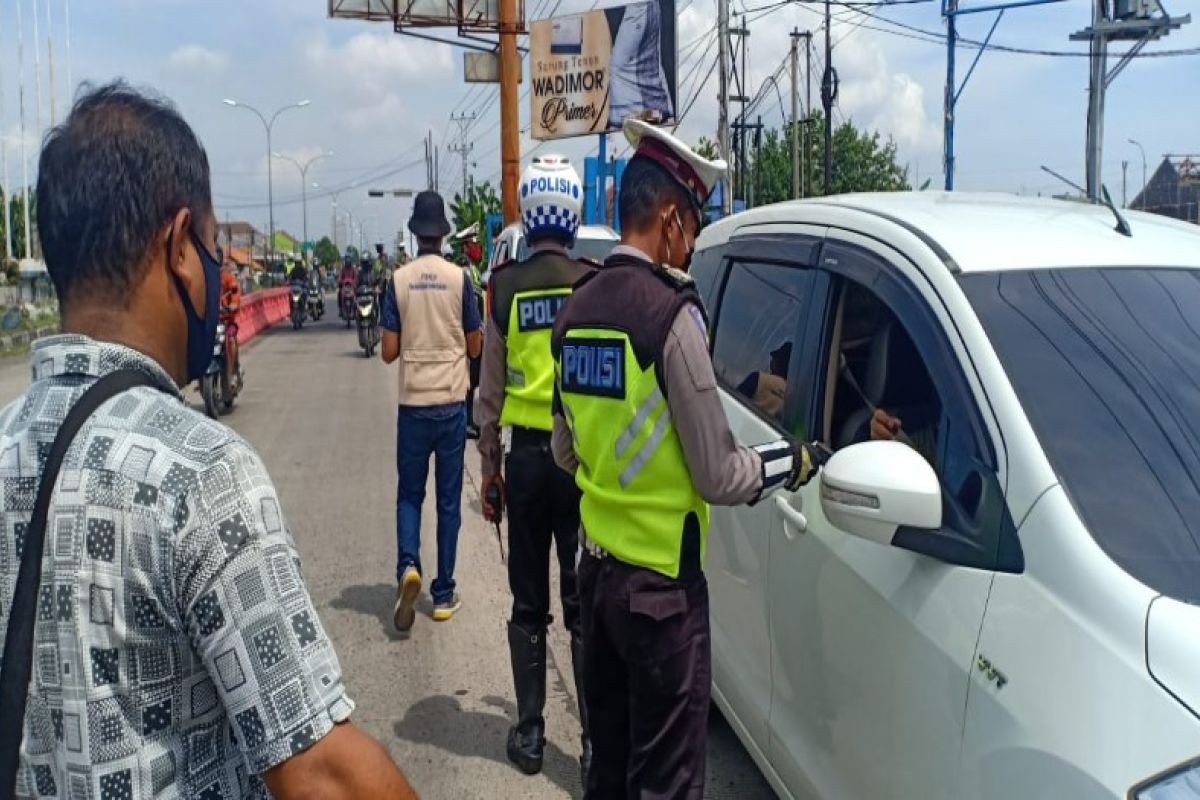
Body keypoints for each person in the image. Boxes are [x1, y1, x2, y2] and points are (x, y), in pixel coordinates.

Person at [0, 81, 415, 799]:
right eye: (214, 244)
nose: (218, 264)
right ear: (178, 246)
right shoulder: (198, 472)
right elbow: (321, 774)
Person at [550, 119, 829, 798]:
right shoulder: (670, 317)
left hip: (598, 582)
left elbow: (565, 450)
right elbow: (718, 473)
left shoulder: (575, 313)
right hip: (661, 605)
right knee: (667, 783)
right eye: (695, 222)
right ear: (670, 218)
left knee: (608, 771)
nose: (695, 241)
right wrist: (790, 463)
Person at [477, 154, 593, 780]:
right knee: (582, 604)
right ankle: (596, 742)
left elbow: (488, 395)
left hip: (523, 462)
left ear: (530, 212)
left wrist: (489, 470)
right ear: (574, 214)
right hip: (578, 466)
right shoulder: (592, 281)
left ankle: (528, 735)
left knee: (529, 600)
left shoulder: (504, 287)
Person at [381, 190, 483, 630]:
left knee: (409, 494)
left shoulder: (398, 281)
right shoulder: (461, 280)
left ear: (414, 233)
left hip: (414, 407)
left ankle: (408, 565)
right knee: (447, 501)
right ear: (442, 234)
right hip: (451, 406)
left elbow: (387, 351)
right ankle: (443, 595)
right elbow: (476, 343)